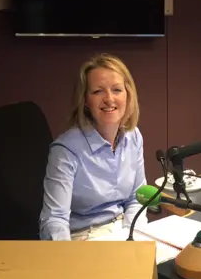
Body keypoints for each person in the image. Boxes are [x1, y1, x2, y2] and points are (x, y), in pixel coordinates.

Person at [39, 53, 147, 241]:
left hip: (123, 230)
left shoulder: (133, 136)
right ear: (85, 101)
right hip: (84, 238)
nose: (109, 99)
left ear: (128, 94)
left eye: (117, 90)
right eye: (98, 91)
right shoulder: (66, 150)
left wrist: (133, 239)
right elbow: (54, 219)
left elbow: (136, 199)